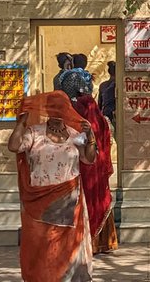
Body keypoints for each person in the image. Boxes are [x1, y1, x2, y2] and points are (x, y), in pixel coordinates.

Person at [8, 90, 98, 282]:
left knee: (67, 244)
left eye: (61, 108)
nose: (57, 113)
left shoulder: (75, 134)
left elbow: (89, 159)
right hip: (39, 199)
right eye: (53, 108)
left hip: (69, 197)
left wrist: (90, 136)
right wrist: (21, 123)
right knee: (41, 243)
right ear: (47, 110)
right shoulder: (34, 132)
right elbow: (14, 147)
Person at [60, 69, 118, 255]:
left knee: (85, 199)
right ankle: (99, 242)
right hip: (92, 159)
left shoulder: (78, 107)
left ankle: (85, 242)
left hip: (82, 159)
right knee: (95, 196)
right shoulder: (89, 105)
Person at [97, 61, 117, 131]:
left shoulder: (103, 85)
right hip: (116, 115)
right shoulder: (119, 85)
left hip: (106, 115)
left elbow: (99, 103)